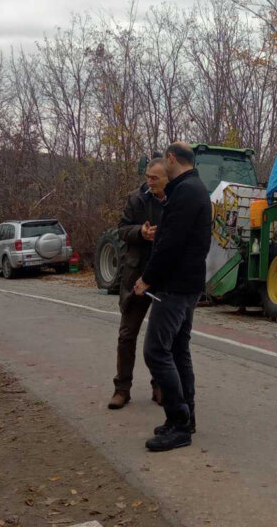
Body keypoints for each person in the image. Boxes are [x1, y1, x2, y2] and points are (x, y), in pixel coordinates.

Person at [134, 141, 212, 452]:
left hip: (176, 286)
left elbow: (170, 243)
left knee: (155, 351)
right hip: (186, 284)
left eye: (162, 162)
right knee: (179, 350)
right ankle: (185, 418)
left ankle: (179, 423)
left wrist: (147, 279)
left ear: (171, 159)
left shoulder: (186, 192)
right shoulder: (192, 188)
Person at [108, 157, 168, 410]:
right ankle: (122, 389)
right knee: (127, 335)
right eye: (147, 177)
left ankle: (160, 386)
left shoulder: (176, 200)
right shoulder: (136, 198)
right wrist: (140, 233)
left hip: (164, 277)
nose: (149, 182)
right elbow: (122, 229)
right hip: (137, 276)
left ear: (167, 178)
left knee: (162, 338)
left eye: (154, 178)